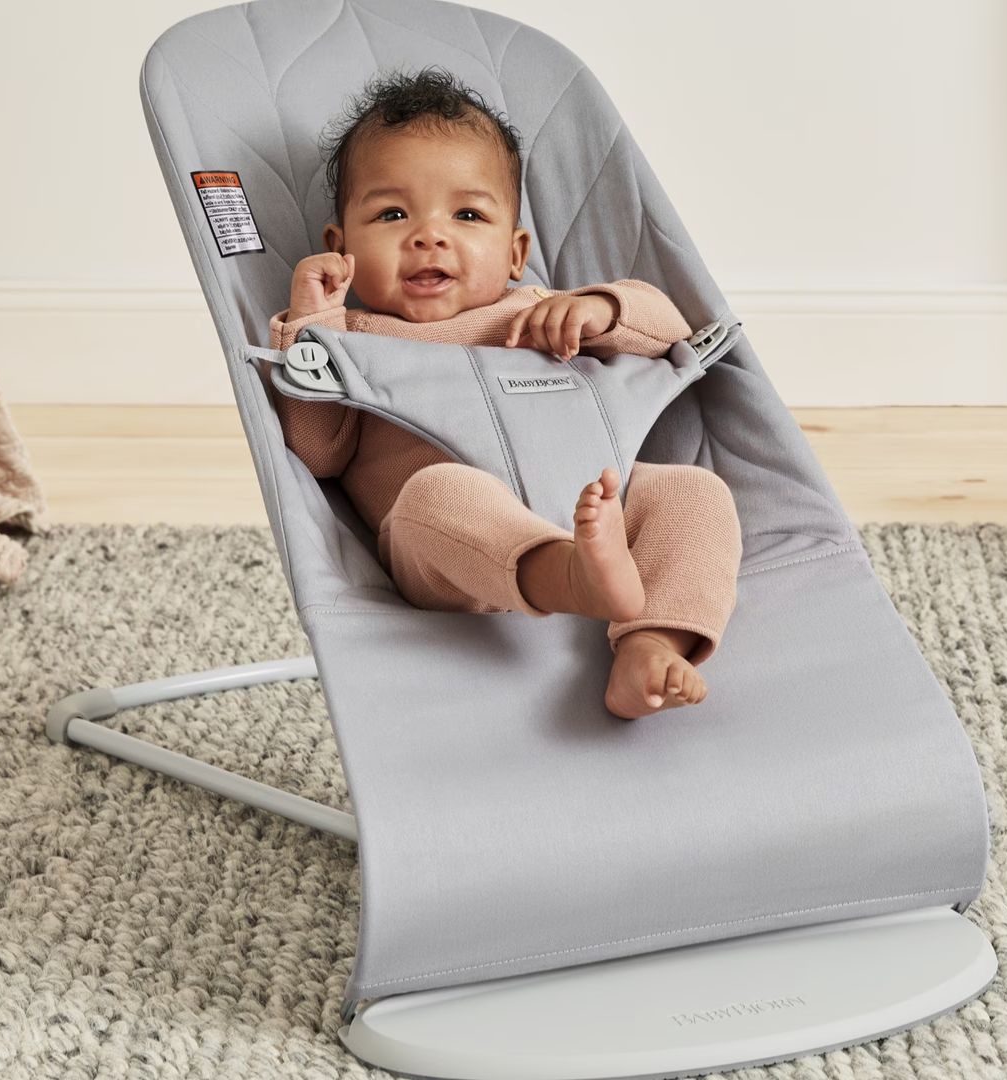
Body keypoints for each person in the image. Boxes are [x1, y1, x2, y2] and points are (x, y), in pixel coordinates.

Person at [265, 67, 742, 720]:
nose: (430, 235)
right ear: (340, 246)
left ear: (516, 252)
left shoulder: (538, 309)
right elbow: (316, 453)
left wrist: (601, 308)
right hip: (444, 547)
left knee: (695, 493)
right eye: (392, 213)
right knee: (444, 493)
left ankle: (651, 641)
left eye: (467, 214)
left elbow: (672, 332)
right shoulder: (348, 338)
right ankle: (568, 575)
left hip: (597, 500)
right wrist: (312, 324)